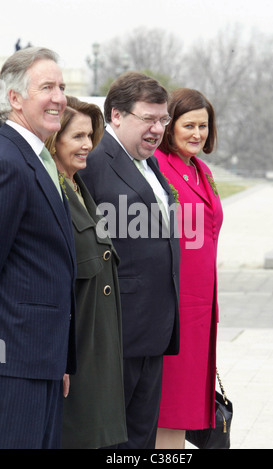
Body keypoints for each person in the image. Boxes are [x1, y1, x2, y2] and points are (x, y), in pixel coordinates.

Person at [80, 71, 180, 449]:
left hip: (153, 329)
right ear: (117, 116)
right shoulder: (94, 162)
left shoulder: (149, 163)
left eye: (163, 119)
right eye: (149, 119)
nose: (157, 129)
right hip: (117, 328)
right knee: (114, 440)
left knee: (141, 437)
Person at [0, 47, 76, 449]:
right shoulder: (8, 160)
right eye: (46, 87)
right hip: (14, 363)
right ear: (15, 98)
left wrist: (59, 357)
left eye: (62, 87)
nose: (59, 98)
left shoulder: (38, 157)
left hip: (43, 360)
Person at [45, 96, 127, 449]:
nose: (88, 145)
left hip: (98, 348)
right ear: (54, 140)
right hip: (75, 353)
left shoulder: (78, 188)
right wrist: (60, 356)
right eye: (78, 136)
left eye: (90, 136)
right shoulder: (52, 192)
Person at [154, 88, 223, 449]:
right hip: (173, 310)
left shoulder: (201, 169)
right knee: (169, 408)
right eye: (188, 125)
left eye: (203, 126)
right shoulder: (158, 168)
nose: (197, 134)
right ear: (170, 127)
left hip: (200, 311)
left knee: (185, 410)